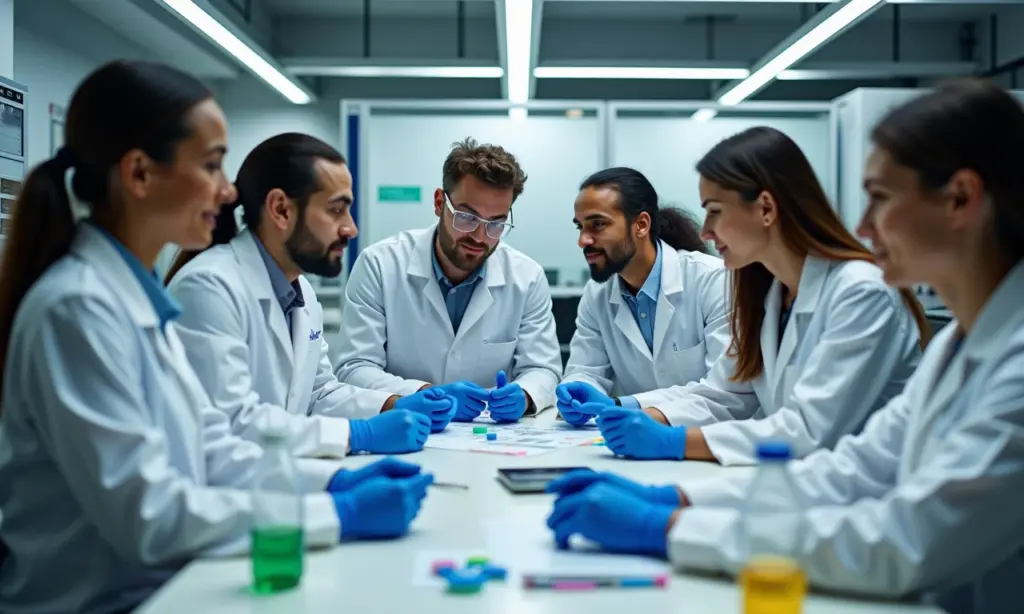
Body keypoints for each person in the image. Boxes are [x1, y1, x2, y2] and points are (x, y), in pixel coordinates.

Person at [544, 79, 1024, 614]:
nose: (864, 224)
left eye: (880, 198)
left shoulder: (991, 350)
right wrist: (680, 497)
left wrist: (672, 525)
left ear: (961, 198)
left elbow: (904, 536)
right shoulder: (958, 343)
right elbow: (855, 466)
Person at [0, 60, 433, 614]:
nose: (229, 191)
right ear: (139, 174)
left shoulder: (131, 299)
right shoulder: (78, 309)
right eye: (210, 166)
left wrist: (329, 487)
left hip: (165, 585)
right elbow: (150, 515)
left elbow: (212, 451)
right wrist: (337, 514)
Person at [570, 127, 930, 465]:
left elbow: (809, 430)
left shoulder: (860, 293)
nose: (706, 231)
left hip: (862, 496)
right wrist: (635, 414)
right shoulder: (769, 293)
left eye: (715, 210)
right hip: (798, 484)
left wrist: (674, 442)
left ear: (766, 209)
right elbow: (728, 393)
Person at [165, 133, 455, 459]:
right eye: (336, 210)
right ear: (281, 210)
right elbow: (232, 423)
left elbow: (317, 392)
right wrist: (359, 434)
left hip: (275, 481)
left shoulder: (300, 292)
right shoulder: (209, 288)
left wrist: (393, 403)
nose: (350, 228)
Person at [334, 138, 562, 422]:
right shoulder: (379, 264)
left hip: (491, 437)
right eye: (467, 217)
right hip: (403, 427)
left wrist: (525, 394)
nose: (480, 237)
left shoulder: (526, 277)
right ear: (439, 202)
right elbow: (354, 367)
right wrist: (426, 393)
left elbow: (544, 369)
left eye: (496, 224)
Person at [556, 167, 730, 426]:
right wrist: (575, 390)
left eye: (598, 224)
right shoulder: (598, 294)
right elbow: (586, 369)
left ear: (641, 225)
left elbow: (724, 392)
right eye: (580, 226)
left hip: (711, 447)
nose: (583, 240)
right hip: (636, 444)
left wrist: (624, 404)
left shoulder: (713, 280)